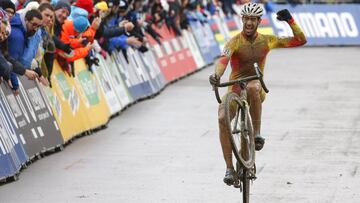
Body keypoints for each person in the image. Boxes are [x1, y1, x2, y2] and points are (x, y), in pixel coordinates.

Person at [209, 2, 307, 186]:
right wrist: (216, 75)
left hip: (256, 89)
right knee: (222, 117)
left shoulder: (267, 40)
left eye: (253, 19)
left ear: (259, 21)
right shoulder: (234, 41)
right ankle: (229, 168)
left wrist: (290, 20)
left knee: (253, 87)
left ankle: (257, 135)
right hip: (235, 88)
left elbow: (300, 40)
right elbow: (223, 60)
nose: (249, 22)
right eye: (246, 18)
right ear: (242, 19)